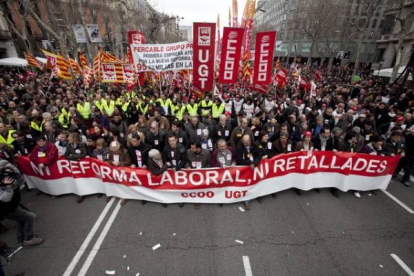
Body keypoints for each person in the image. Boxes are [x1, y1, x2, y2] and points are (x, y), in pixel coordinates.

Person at [0, 159, 44, 247]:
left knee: (21, 220)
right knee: (30, 217)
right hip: (7, 209)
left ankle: (20, 239)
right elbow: (5, 198)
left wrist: (17, 179)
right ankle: (29, 239)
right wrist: (8, 187)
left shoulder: (10, 174)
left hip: (13, 205)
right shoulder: (3, 181)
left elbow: (19, 180)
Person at [236, 134, 263, 210]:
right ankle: (246, 200)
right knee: (246, 184)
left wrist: (254, 163)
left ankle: (258, 195)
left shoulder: (256, 145)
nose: (245, 144)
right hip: (245, 169)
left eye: (246, 142)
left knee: (257, 182)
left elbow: (259, 156)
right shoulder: (239, 147)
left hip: (255, 167)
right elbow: (240, 160)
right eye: (243, 142)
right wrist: (250, 164)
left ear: (250, 140)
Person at [65, 132, 88, 202]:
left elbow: (84, 154)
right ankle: (81, 194)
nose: (68, 138)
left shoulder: (82, 144)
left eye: (69, 137)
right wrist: (75, 158)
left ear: (74, 139)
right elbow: (66, 155)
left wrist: (73, 156)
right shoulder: (68, 145)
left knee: (84, 178)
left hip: (83, 165)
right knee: (78, 179)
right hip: (74, 165)